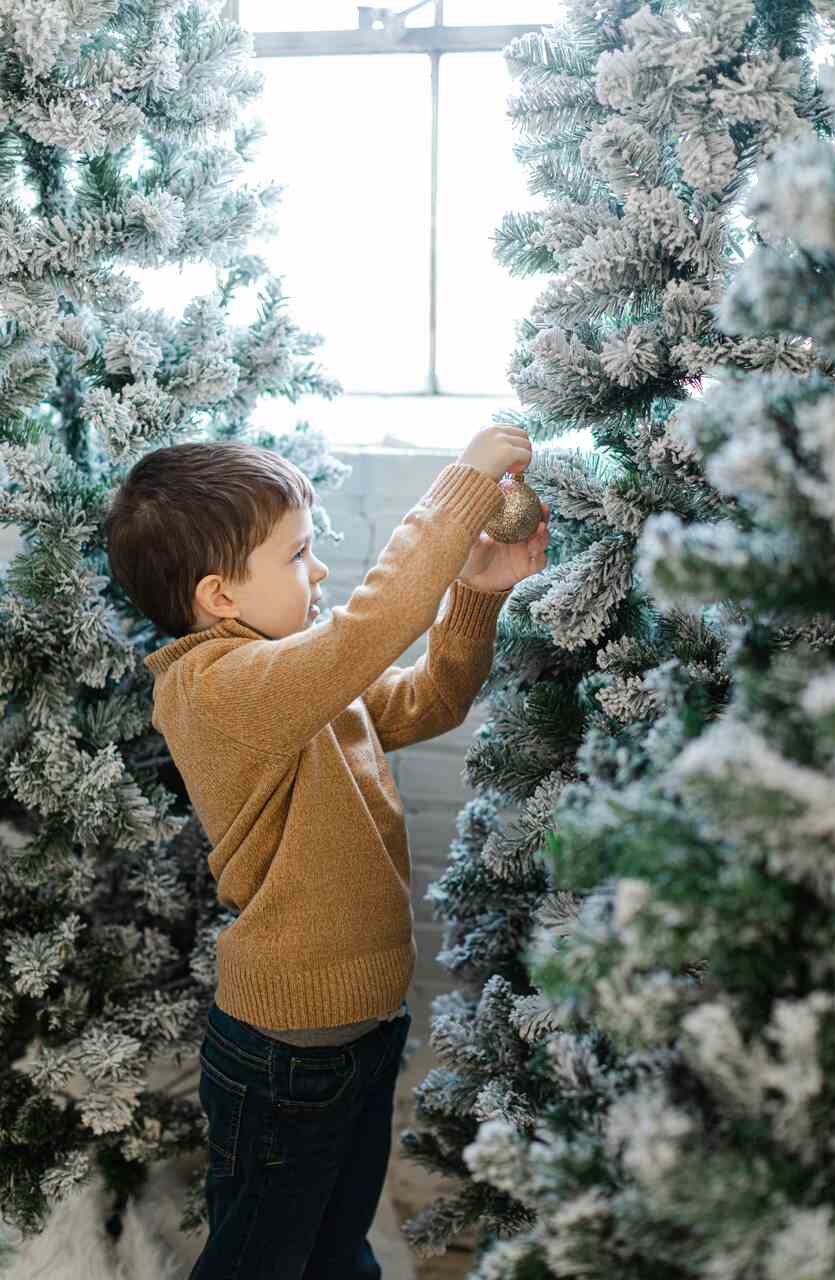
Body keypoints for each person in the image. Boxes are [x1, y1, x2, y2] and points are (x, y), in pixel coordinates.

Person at [104, 425, 550, 1279]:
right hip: (289, 1053)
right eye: (298, 554)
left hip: (359, 1032)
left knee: (336, 1255)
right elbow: (370, 626)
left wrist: (474, 593)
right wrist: (463, 486)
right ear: (219, 596)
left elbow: (432, 699)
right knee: (262, 1263)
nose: (317, 573)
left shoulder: (287, 673)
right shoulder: (219, 691)